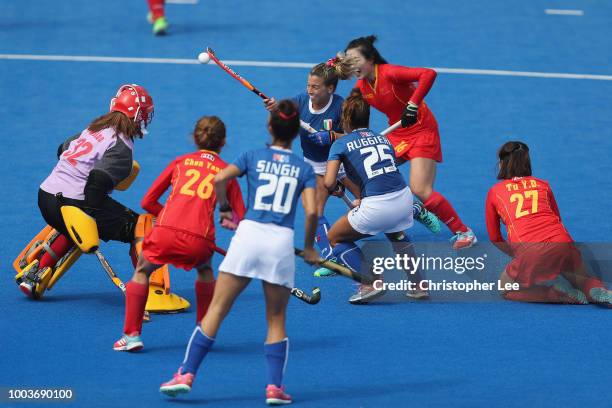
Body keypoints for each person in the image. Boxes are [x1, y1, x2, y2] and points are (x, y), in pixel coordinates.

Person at [158, 100, 319, 405]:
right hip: (280, 243)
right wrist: (309, 247)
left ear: (270, 128)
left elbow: (220, 179)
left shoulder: (252, 155)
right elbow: (311, 212)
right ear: (296, 132)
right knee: (275, 319)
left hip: (248, 236)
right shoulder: (304, 168)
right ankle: (274, 389)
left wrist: (225, 209)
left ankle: (186, 375)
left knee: (217, 309)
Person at [264, 62, 439, 273]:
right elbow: (282, 122)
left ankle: (414, 209)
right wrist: (276, 110)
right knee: (314, 212)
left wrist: (330, 136)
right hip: (317, 166)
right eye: (308, 85)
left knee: (375, 205)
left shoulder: (341, 106)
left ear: (330, 89)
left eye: (315, 87)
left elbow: (355, 136)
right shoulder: (300, 101)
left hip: (345, 166)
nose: (310, 90)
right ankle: (332, 258)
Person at [113, 116, 246, 352]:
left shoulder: (180, 162)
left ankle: (132, 335)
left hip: (164, 233)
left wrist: (172, 217)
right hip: (199, 241)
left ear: (194, 138)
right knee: (205, 270)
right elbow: (241, 219)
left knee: (142, 270)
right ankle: (203, 332)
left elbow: (147, 201)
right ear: (223, 141)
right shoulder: (227, 172)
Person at [332, 35, 475, 250]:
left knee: (420, 188)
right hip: (398, 133)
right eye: (348, 59)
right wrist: (335, 134)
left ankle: (464, 232)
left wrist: (413, 104)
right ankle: (408, 209)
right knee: (356, 167)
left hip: (421, 130)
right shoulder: (362, 86)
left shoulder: (389, 73)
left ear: (371, 60)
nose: (353, 64)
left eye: (356, 59)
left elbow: (428, 74)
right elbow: (349, 111)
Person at [19, 84, 154, 298]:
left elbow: (62, 149)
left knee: (73, 225)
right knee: (142, 227)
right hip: (72, 203)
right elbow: (97, 182)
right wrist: (91, 220)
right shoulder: (122, 147)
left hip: (46, 197)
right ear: (139, 117)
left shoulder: (95, 128)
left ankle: (36, 273)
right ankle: (150, 291)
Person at [320, 92, 425, 304]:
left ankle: (370, 283)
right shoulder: (383, 139)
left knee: (335, 238)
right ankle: (419, 285)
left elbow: (329, 183)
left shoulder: (339, 145)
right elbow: (380, 173)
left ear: (346, 120)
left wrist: (337, 187)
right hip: (403, 199)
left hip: (377, 207)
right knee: (396, 235)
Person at [485, 141, 612, 305]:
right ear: (527, 162)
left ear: (502, 163)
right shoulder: (543, 185)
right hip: (562, 242)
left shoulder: (495, 192)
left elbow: (495, 237)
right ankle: (598, 290)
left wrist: (519, 255)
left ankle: (556, 294)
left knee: (505, 289)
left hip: (530, 250)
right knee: (580, 278)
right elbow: (557, 219)